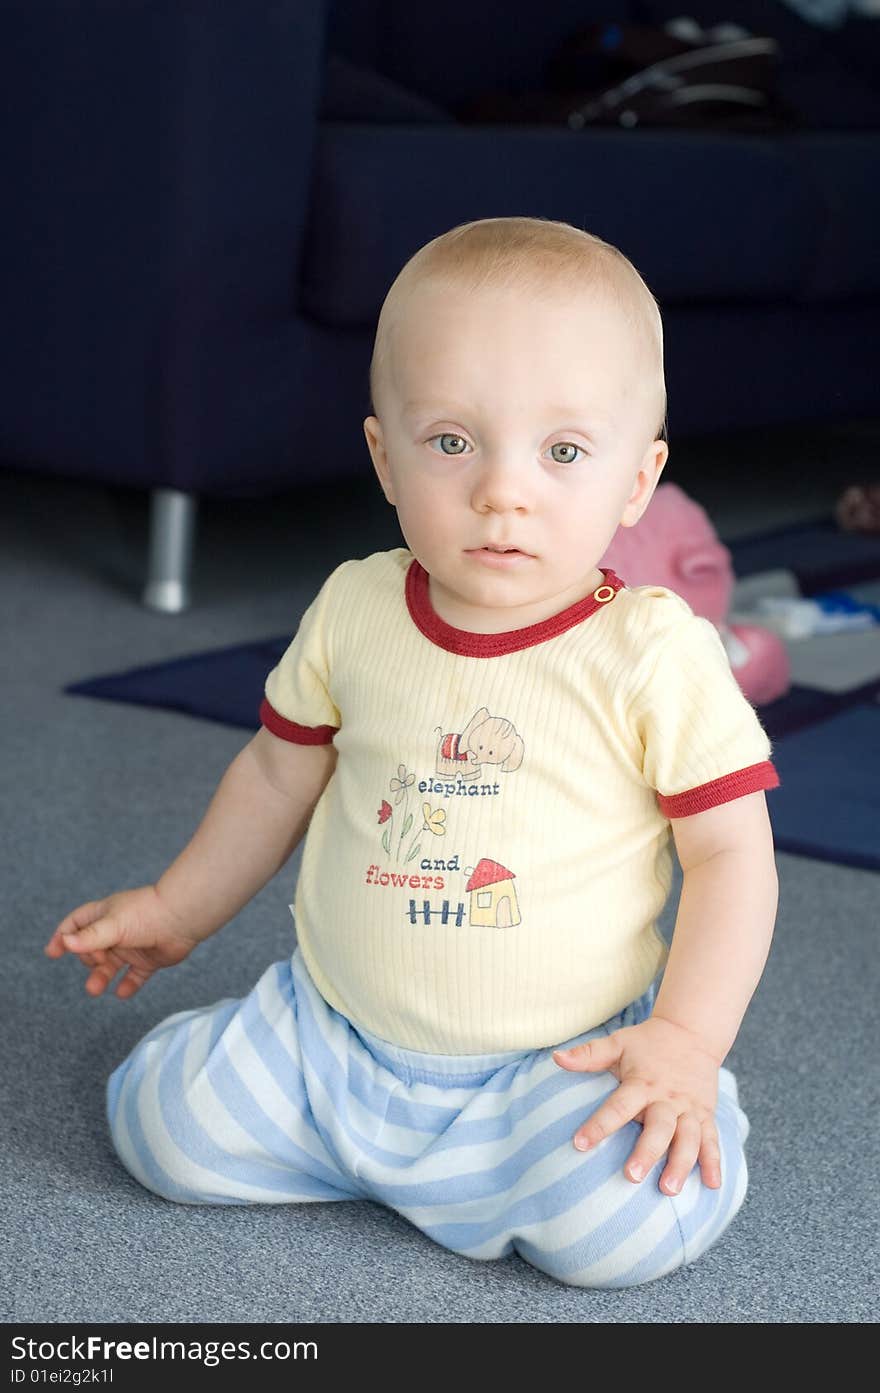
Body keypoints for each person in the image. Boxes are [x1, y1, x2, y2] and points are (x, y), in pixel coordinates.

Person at [46, 217, 780, 1289]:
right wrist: (177, 906)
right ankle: (373, 1148)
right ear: (385, 455)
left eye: (563, 451)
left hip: (553, 1061)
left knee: (625, 1224)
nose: (502, 490)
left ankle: (626, 1112)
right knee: (164, 1127)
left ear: (637, 481)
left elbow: (730, 858)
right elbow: (274, 772)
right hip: (333, 1033)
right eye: (451, 441)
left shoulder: (651, 649)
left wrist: (684, 1040)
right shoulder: (355, 605)